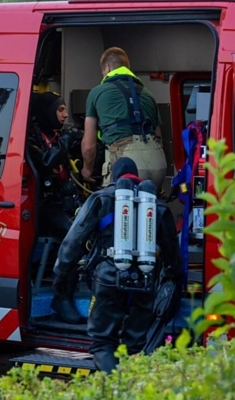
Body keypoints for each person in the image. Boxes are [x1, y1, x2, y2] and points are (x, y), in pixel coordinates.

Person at [53, 158, 182, 372]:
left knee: (103, 343)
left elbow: (73, 242)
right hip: (145, 279)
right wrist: (173, 278)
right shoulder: (155, 205)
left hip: (108, 280)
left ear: (114, 177)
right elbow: (172, 253)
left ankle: (115, 392)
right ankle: (135, 391)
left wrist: (60, 275)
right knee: (136, 346)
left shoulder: (100, 198)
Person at [28, 91, 85, 324]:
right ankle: (62, 298)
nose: (65, 114)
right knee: (73, 234)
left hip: (63, 200)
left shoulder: (56, 135)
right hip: (41, 205)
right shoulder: (30, 137)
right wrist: (63, 143)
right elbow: (44, 165)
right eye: (60, 110)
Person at [80, 47, 167, 186]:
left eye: (102, 71)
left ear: (107, 68)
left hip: (126, 164)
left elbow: (89, 146)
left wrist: (87, 170)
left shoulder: (97, 92)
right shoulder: (148, 93)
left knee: (116, 205)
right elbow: (158, 135)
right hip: (158, 163)